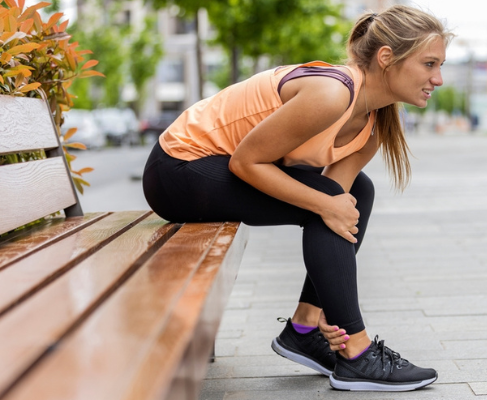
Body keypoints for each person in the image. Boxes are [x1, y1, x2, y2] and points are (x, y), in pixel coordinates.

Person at [142, 4, 452, 392]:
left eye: (440, 65)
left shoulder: (372, 129)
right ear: (387, 58)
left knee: (356, 192)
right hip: (178, 169)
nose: (438, 78)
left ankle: (306, 326)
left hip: (217, 168)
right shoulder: (331, 93)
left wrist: (327, 205)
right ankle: (356, 352)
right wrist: (325, 204)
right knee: (328, 200)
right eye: (429, 64)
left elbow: (335, 205)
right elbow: (246, 162)